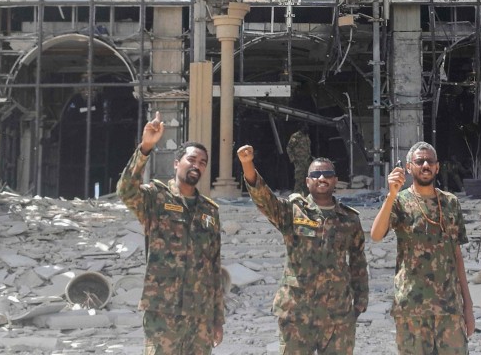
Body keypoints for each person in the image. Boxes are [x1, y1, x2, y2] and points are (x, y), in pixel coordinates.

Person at [237, 144, 368, 354]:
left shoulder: (349, 219)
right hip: (297, 313)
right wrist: (247, 165)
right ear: (307, 181)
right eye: (316, 174)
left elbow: (358, 260)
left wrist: (360, 301)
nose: (322, 178)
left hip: (338, 314)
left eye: (327, 174)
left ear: (335, 180)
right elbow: (265, 200)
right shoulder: (293, 212)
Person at [118, 112, 225, 355]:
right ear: (177, 163)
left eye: (202, 163)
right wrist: (145, 147)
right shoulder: (156, 197)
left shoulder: (210, 210)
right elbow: (125, 190)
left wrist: (218, 318)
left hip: (200, 315)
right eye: (192, 160)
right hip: (164, 313)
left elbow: (214, 266)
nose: (197, 165)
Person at [371, 141, 475, 354]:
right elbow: (376, 234)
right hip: (412, 308)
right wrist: (391, 194)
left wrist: (468, 306)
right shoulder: (399, 202)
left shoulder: (450, 202)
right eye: (420, 161)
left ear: (437, 167)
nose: (425, 165)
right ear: (409, 167)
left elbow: (457, 255)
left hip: (449, 308)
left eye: (430, 161)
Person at [286, 130, 312, 195]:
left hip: (307, 162)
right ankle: (296, 198)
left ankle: (307, 197)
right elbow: (289, 148)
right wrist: (293, 159)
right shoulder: (296, 136)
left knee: (307, 181)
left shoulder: (306, 136)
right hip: (299, 162)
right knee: (299, 181)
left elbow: (308, 148)